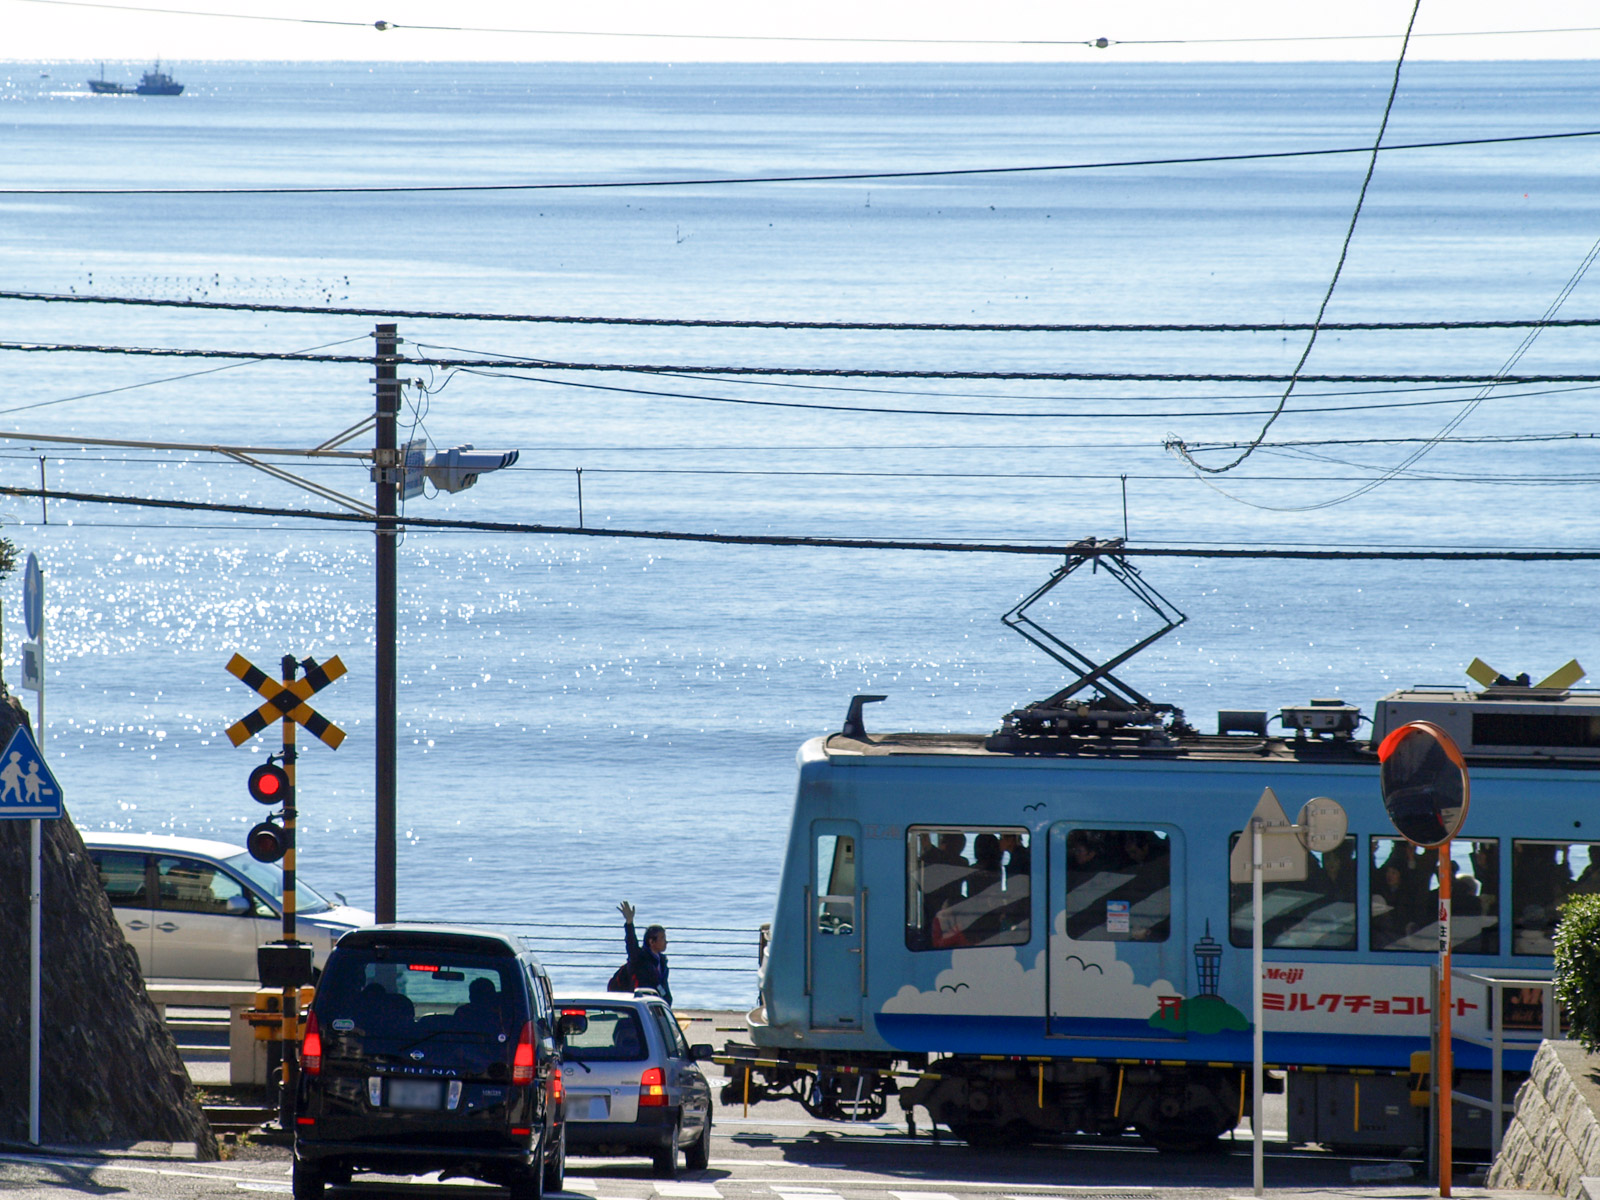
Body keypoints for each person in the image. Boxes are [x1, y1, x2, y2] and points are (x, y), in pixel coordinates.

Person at [618, 901, 672, 1005]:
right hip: (640, 1004)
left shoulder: (662, 961)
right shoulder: (639, 958)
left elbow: (663, 987)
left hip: (656, 1005)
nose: (666, 941)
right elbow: (631, 945)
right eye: (662, 938)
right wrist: (629, 923)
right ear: (651, 942)